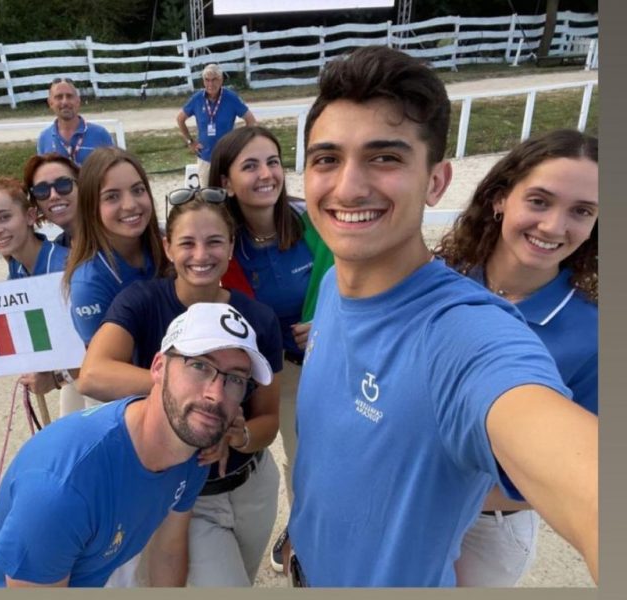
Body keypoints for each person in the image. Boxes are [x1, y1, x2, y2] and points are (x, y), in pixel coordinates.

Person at [285, 45, 598, 587]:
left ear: (436, 181)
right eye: (327, 159)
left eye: (385, 158)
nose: (348, 187)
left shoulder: (467, 334)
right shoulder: (334, 285)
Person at [0, 302, 274, 587]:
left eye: (236, 379)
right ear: (158, 367)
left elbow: (168, 552)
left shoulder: (192, 450)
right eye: (199, 366)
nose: (216, 395)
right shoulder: (63, 488)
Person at [78, 190, 284, 586]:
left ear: (231, 247)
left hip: (252, 486)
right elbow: (93, 374)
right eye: (187, 243)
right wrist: (190, 398)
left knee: (244, 577)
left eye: (214, 242)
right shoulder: (142, 302)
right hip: (185, 495)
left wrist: (235, 434)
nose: (201, 254)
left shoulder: (258, 318)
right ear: (168, 248)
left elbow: (269, 421)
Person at [434, 129, 598, 586]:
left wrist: (434, 484)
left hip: (486, 529)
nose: (554, 227)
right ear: (500, 198)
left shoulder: (594, 335)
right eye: (540, 201)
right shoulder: (438, 279)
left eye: (582, 211)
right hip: (402, 501)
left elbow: (576, 478)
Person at [208, 125, 333, 572]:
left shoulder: (315, 223)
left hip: (309, 369)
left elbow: (363, 283)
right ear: (226, 182)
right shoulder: (217, 242)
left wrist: (331, 322)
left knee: (309, 464)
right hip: (249, 375)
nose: (266, 174)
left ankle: (304, 540)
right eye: (250, 166)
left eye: (273, 162)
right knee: (248, 463)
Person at [59, 146, 167, 415]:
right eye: (112, 197)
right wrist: (179, 384)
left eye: (138, 190)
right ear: (91, 207)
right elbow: (102, 373)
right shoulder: (89, 282)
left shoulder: (167, 246)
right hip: (125, 401)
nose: (130, 204)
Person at [0, 176, 70, 396]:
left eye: (4, 217)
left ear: (30, 216)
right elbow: (15, 319)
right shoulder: (18, 265)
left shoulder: (63, 268)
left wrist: (57, 379)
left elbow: (90, 344)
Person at [176, 64, 257, 185]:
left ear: (221, 80)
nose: (210, 84)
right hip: (205, 157)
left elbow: (251, 121)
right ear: (203, 81)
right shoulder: (197, 99)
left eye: (214, 79)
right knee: (207, 193)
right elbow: (180, 119)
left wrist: (240, 143)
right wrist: (190, 142)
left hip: (227, 157)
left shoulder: (231, 98)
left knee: (229, 191)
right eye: (207, 80)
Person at [37, 77, 113, 166]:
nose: (65, 102)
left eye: (69, 96)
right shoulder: (44, 138)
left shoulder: (100, 135)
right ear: (50, 103)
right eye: (59, 97)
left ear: (78, 100)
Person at [23, 152, 80, 249]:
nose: (53, 196)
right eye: (42, 190)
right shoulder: (58, 249)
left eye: (63, 184)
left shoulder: (107, 237)